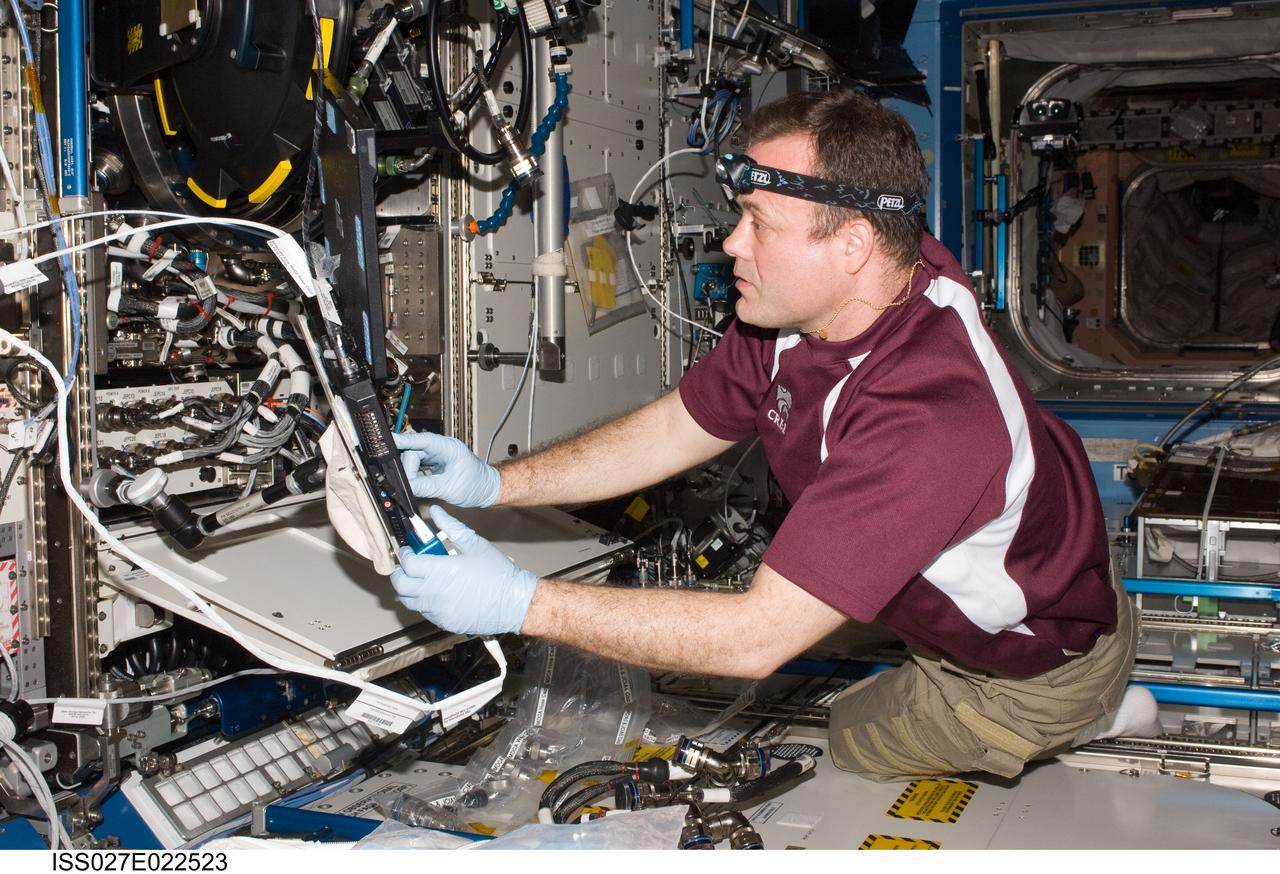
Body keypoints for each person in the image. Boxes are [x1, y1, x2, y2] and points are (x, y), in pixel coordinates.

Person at [379, 90, 1152, 782]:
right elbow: (682, 425)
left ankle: (1088, 716)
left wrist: (522, 604)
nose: (730, 245)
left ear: (852, 244)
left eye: (758, 223)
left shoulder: (933, 417)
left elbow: (755, 639)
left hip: (1033, 663)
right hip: (998, 569)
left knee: (850, 738)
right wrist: (496, 483)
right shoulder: (821, 301)